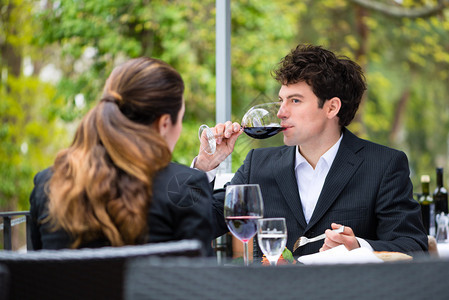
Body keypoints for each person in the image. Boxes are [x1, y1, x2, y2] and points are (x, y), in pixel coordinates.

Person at [195, 44, 428, 257]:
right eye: (281, 100)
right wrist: (204, 167)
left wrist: (358, 247)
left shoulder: (384, 165)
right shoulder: (257, 163)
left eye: (295, 101)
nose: (280, 112)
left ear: (332, 107)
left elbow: (413, 247)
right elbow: (194, 225)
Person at [30, 57, 213, 253]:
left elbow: (36, 273)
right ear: (165, 124)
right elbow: (201, 280)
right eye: (181, 119)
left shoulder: (48, 184)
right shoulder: (185, 187)